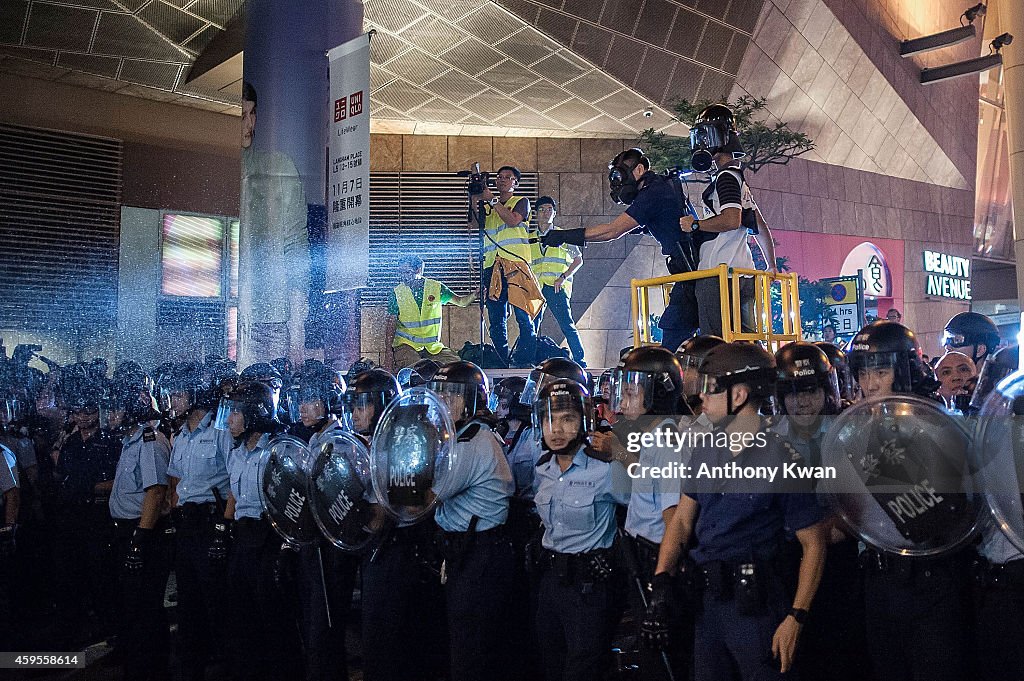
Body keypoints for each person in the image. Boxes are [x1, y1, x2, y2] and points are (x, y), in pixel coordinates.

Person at [644, 343, 827, 681]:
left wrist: (795, 618)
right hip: (708, 600)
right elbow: (683, 522)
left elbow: (814, 543)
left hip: (758, 604)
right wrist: (661, 581)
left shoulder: (783, 458)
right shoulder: (704, 451)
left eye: (711, 389)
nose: (702, 399)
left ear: (740, 395)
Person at [847, 321, 972, 681]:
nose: (869, 383)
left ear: (904, 372)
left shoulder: (938, 425)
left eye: (881, 372)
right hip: (880, 575)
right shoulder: (853, 431)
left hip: (933, 576)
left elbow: (959, 508)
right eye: (863, 373)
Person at [540, 147, 698, 351]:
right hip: (691, 273)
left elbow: (612, 231)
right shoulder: (657, 189)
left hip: (693, 276)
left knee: (674, 338)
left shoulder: (652, 193)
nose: (618, 182)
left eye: (620, 175)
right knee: (679, 334)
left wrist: (564, 236)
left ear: (639, 169)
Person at [772, 343, 865, 681]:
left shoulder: (850, 432)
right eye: (792, 393)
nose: (801, 401)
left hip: (842, 563)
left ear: (827, 391)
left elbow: (865, 504)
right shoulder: (770, 439)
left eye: (809, 390)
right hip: (789, 564)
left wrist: (829, 530)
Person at [595, 346, 690, 681]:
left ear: (658, 393)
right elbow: (648, 481)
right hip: (642, 556)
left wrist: (663, 587)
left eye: (632, 393)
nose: (623, 403)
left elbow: (673, 518)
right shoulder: (653, 435)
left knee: (660, 664)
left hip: (656, 561)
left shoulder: (666, 440)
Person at [532, 378, 631, 681]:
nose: (557, 429)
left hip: (590, 586)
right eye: (550, 419)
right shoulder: (543, 468)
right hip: (551, 582)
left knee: (583, 669)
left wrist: (623, 456)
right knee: (551, 664)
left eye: (568, 419)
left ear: (584, 421)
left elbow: (641, 505)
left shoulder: (604, 469)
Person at [427, 361, 515, 681]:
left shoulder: (470, 442)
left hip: (480, 553)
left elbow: (426, 495)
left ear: (473, 401)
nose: (442, 404)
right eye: (439, 395)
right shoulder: (460, 436)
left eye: (452, 396)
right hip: (467, 549)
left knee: (470, 647)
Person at [219, 381, 301, 681]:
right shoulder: (236, 452)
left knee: (273, 618)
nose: (229, 420)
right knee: (241, 616)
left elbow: (293, 502)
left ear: (254, 413)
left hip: (270, 538)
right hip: (243, 539)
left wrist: (286, 549)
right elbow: (234, 494)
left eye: (235, 413)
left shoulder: (278, 451)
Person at [284, 361, 356, 681]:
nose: (302, 408)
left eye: (309, 401)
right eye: (300, 400)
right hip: (313, 545)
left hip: (331, 549)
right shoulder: (315, 438)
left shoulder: (338, 441)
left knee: (325, 627)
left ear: (328, 403)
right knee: (312, 624)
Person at [164, 362, 234, 681]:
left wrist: (222, 527)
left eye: (177, 394)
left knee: (216, 596)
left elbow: (235, 480)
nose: (172, 401)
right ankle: (192, 662)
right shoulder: (181, 436)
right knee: (189, 595)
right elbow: (176, 483)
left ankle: (224, 661)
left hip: (212, 522)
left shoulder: (219, 431)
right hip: (188, 524)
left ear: (193, 395)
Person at [107, 373, 172, 681]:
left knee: (145, 606)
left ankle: (149, 669)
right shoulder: (130, 439)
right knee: (132, 604)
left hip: (143, 533)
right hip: (128, 531)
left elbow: (156, 492)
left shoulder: (148, 441)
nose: (110, 414)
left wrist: (140, 538)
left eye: (116, 408)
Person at [51, 382, 120, 648]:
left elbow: (120, 481)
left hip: (97, 515)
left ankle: (109, 627)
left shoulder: (109, 442)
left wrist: (88, 488)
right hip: (71, 516)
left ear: (97, 413)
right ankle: (73, 626)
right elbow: (62, 473)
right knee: (70, 573)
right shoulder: (70, 442)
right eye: (78, 412)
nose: (82, 417)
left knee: (101, 573)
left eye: (88, 412)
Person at [473, 165, 537, 366]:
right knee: (496, 318)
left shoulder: (521, 202)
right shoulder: (490, 207)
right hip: (492, 267)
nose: (501, 180)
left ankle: (525, 360)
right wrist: (474, 196)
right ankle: (501, 361)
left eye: (507, 177)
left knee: (522, 315)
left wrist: (491, 199)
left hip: (516, 265)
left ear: (515, 183)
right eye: (499, 177)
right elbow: (473, 225)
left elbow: (512, 220)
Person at [384, 255, 475, 372]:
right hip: (406, 346)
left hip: (432, 348)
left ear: (418, 270)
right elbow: (390, 324)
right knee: (418, 369)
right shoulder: (397, 293)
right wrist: (388, 353)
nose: (403, 277)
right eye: (400, 272)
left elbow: (461, 302)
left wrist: (474, 295)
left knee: (456, 367)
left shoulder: (436, 288)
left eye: (406, 272)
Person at [531, 196, 586, 367]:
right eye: (542, 209)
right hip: (536, 288)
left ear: (554, 213)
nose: (546, 213)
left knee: (567, 324)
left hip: (555, 286)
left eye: (549, 209)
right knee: (530, 326)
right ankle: (530, 359)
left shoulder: (563, 235)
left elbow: (578, 259)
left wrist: (563, 277)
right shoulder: (529, 238)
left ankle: (580, 361)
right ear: (535, 213)